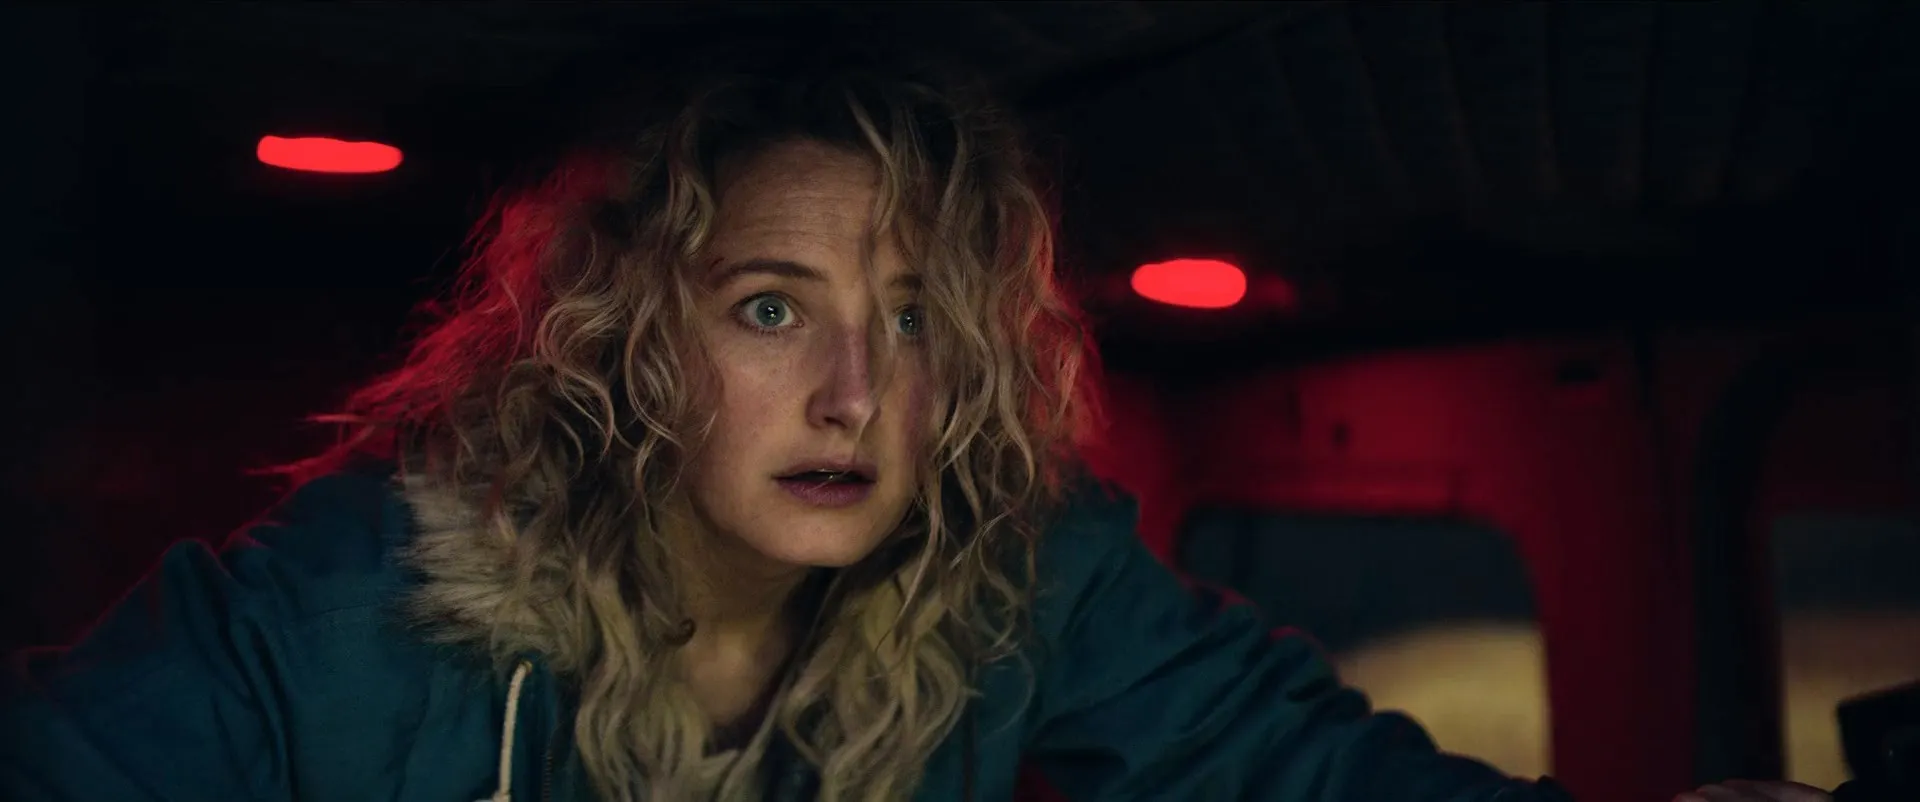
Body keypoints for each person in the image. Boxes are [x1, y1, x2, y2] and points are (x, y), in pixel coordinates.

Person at [0, 43, 1833, 802]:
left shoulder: (1016, 581)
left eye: (913, 321)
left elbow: (1298, 764)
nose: (858, 396)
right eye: (771, 308)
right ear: (625, 337)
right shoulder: (362, 614)